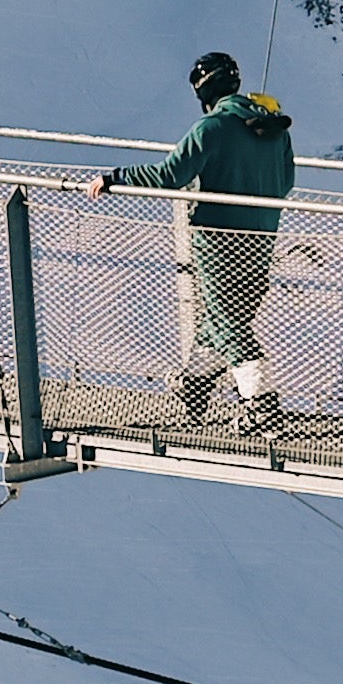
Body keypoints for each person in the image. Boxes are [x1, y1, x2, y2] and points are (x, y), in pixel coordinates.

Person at [99, 51, 297, 421]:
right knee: (228, 315)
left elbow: (169, 175)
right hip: (261, 239)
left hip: (219, 241)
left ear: (203, 93)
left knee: (227, 321)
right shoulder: (273, 128)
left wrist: (115, 177)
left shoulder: (211, 129)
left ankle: (262, 405)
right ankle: (196, 384)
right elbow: (286, 182)